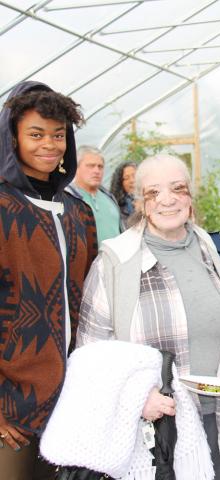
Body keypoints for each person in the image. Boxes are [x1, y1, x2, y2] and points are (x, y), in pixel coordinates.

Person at [75, 154, 220, 480]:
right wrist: (136, 398)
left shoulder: (218, 249)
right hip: (152, 430)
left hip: (218, 422)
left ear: (191, 197)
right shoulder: (114, 263)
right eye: (154, 193)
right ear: (139, 201)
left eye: (178, 188)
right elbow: (90, 353)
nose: (167, 200)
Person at [0, 81, 97, 479]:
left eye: (58, 135)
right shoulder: (4, 207)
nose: (49, 145)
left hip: (73, 400)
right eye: (36, 134)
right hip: (13, 403)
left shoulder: (78, 211)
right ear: (12, 139)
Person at [66, 145, 121, 243]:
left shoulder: (109, 198)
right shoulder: (67, 198)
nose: (96, 171)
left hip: (115, 257)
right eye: (91, 166)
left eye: (100, 167)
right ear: (76, 167)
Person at [110, 161, 137, 228]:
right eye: (126, 178)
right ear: (121, 184)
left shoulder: (154, 197)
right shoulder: (118, 208)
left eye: (134, 175)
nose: (131, 180)